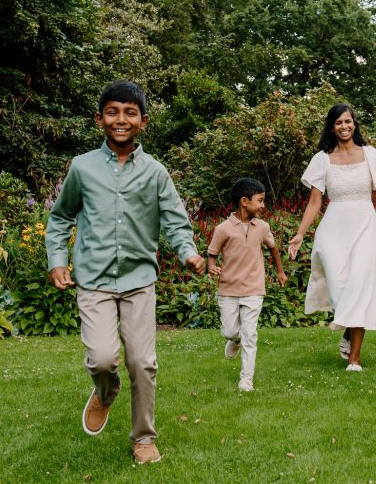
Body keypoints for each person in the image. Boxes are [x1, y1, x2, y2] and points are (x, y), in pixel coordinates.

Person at [45, 80, 205, 465]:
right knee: (102, 359)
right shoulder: (82, 167)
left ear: (144, 121)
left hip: (138, 281)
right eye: (113, 112)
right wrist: (57, 260)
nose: (121, 119)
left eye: (130, 112)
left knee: (142, 362)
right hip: (94, 279)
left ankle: (143, 438)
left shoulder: (155, 173)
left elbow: (175, 222)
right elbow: (62, 217)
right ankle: (105, 392)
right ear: (99, 119)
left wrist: (188, 252)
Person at [287, 103, 376, 372]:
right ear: (332, 127)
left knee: (360, 283)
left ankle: (354, 360)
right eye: (338, 123)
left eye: (348, 121)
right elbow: (314, 203)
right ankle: (348, 331)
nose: (344, 127)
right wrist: (300, 234)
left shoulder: (371, 156)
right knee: (340, 288)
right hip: (334, 230)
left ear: (354, 124)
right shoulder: (321, 159)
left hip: (365, 227)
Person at [206, 177, 286, 392]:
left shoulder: (262, 227)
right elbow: (212, 254)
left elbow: (273, 248)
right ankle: (235, 340)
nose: (262, 205)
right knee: (230, 331)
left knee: (250, 334)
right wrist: (211, 266)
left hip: (254, 289)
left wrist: (279, 271)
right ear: (244, 201)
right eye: (259, 201)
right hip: (228, 290)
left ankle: (246, 379)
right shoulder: (223, 229)